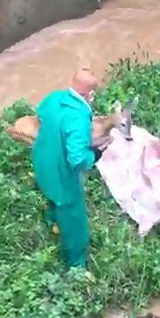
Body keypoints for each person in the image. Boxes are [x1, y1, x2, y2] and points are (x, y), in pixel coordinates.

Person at [32, 68, 104, 269]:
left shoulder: (54, 98)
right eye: (93, 93)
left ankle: (53, 222)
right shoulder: (77, 118)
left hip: (42, 162)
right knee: (74, 220)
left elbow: (40, 114)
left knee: (52, 199)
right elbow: (77, 159)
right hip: (61, 175)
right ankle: (75, 265)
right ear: (87, 93)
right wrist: (96, 155)